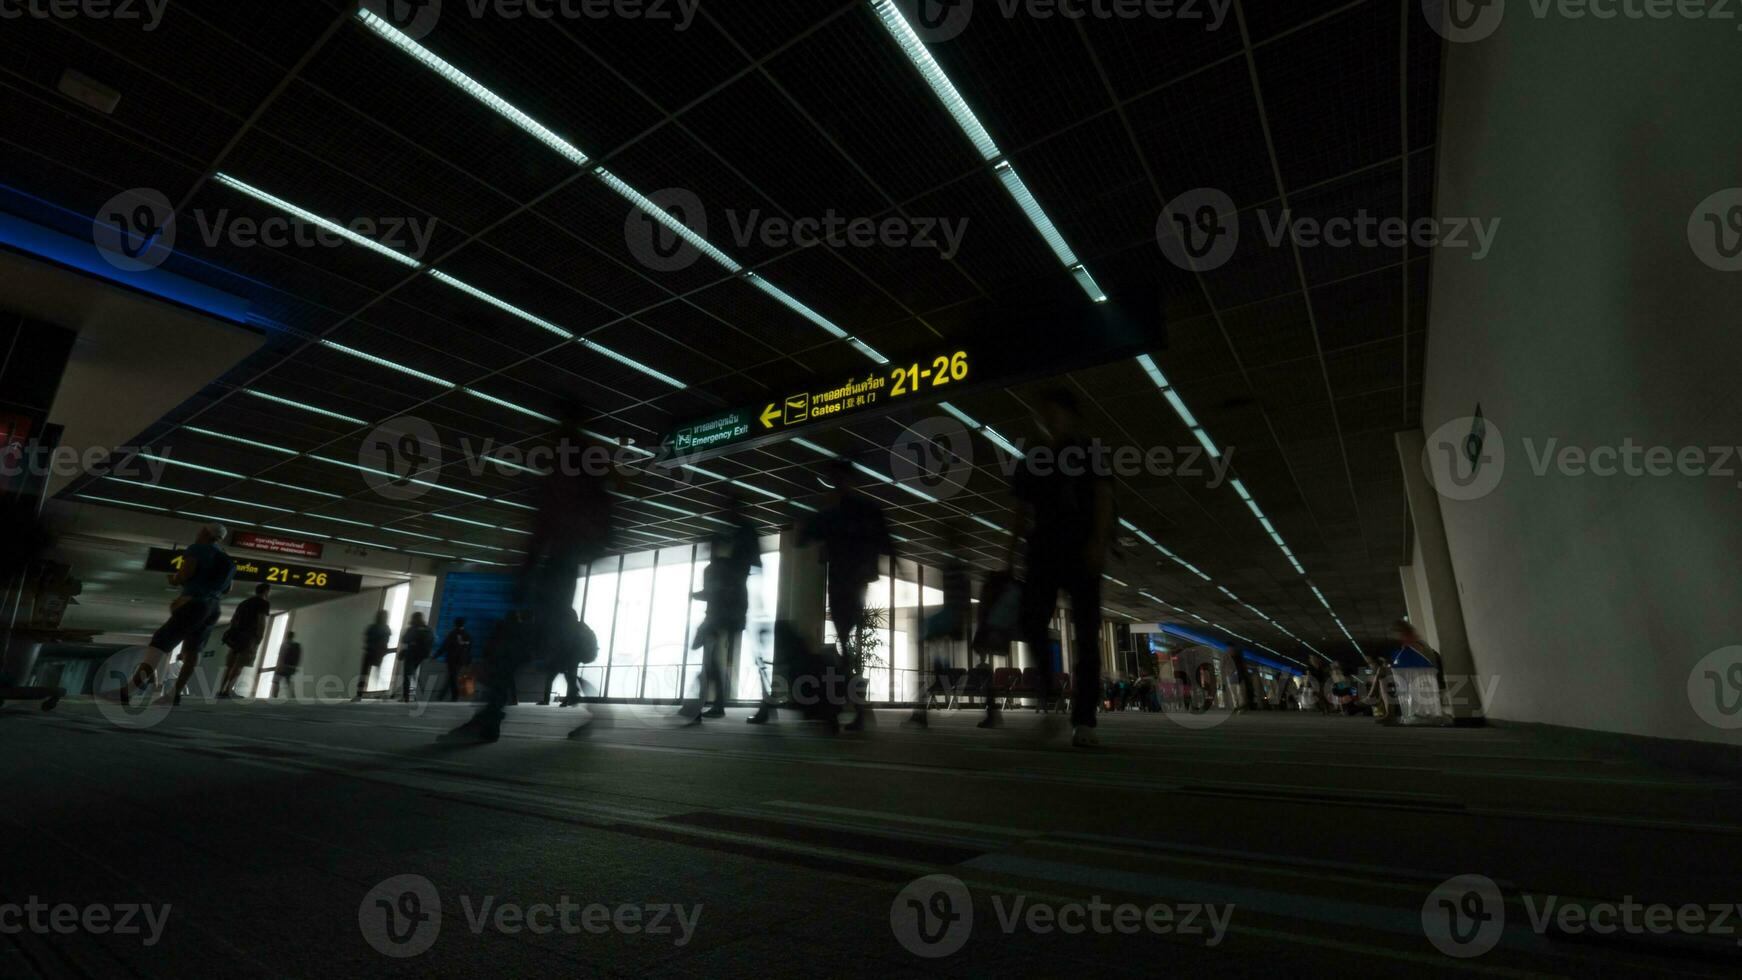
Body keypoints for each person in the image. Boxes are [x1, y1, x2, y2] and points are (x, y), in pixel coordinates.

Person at [443, 408, 615, 743]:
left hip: (555, 568)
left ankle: (490, 717)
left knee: (515, 641)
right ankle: (593, 708)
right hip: (562, 568)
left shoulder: (567, 467)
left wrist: (528, 568)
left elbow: (544, 523)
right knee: (544, 644)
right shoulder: (587, 468)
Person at [984, 388, 1114, 748]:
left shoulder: (1090, 452)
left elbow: (1104, 498)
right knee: (1031, 622)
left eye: (1054, 410)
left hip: (1081, 551)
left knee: (1087, 635)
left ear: (1071, 414)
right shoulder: (1033, 458)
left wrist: (1097, 544)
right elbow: (1019, 513)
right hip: (1042, 552)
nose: (1048, 417)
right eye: (1044, 412)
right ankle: (1049, 694)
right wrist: (1007, 557)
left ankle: (1084, 720)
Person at [799, 459, 894, 732]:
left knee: (845, 646)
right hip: (849, 584)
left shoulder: (838, 512)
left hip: (846, 584)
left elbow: (804, 538)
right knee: (845, 647)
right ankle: (855, 708)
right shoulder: (858, 510)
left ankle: (845, 707)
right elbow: (888, 545)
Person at [113, 523, 235, 706]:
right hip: (214, 608)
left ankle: (129, 690)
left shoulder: (198, 549)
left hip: (193, 603)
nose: (198, 533)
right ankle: (175, 693)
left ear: (206, 533)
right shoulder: (226, 559)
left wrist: (175, 579)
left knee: (160, 642)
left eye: (201, 530)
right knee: (192, 650)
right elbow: (228, 589)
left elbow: (185, 574)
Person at [684, 495, 760, 725]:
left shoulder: (717, 568)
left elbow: (714, 592)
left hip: (719, 616)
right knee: (712, 657)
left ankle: (711, 703)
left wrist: (695, 595)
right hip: (727, 613)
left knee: (710, 657)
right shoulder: (724, 565)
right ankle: (714, 703)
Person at [906, 545, 972, 728]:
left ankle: (922, 710)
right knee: (931, 655)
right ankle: (939, 672)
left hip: (950, 618)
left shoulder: (955, 571)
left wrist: (957, 624)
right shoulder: (955, 571)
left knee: (925, 638)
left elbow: (959, 602)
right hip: (950, 618)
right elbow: (960, 601)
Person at [216, 583, 271, 699]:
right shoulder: (263, 603)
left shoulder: (244, 603)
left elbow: (233, 619)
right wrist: (260, 637)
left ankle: (221, 690)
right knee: (239, 664)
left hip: (236, 635)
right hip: (249, 636)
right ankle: (229, 690)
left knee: (230, 664)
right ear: (266, 591)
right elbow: (261, 621)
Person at [539, 611, 594, 708]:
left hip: (565, 657)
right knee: (570, 679)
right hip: (574, 657)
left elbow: (563, 643)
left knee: (552, 677)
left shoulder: (569, 628)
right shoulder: (580, 626)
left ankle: (549, 699)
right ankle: (570, 698)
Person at [354, 610, 391, 701]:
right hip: (378, 654)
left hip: (369, 652)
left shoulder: (372, 627)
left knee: (364, 674)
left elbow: (366, 639)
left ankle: (359, 695)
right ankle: (384, 693)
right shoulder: (386, 628)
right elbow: (385, 642)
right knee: (377, 674)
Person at [399, 611, 435, 703]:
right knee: (414, 674)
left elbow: (405, 639)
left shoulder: (412, 628)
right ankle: (419, 694)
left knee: (407, 675)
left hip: (411, 654)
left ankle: (405, 697)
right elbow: (433, 640)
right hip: (422, 655)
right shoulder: (428, 629)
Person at [437, 617, 473, 701]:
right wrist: (468, 661)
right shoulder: (467, 635)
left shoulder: (452, 634)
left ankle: (451, 695)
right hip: (461, 660)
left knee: (452, 677)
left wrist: (435, 656)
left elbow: (444, 646)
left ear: (455, 624)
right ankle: (447, 695)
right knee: (452, 677)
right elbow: (469, 649)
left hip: (452, 659)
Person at [271, 631, 302, 700]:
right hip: (290, 668)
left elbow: (281, 656)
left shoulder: (285, 644)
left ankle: (274, 696)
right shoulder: (296, 646)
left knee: (276, 681)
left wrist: (279, 666)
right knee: (288, 683)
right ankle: (293, 696)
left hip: (282, 666)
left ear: (286, 636)